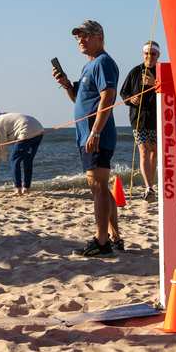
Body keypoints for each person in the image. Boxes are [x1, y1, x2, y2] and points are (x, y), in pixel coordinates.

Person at [52, 19, 121, 256]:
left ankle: (101, 242)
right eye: (78, 37)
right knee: (101, 188)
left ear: (100, 38)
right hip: (87, 134)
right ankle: (114, 237)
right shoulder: (89, 66)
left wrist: (95, 132)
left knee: (98, 187)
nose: (81, 40)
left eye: (86, 35)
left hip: (96, 135)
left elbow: (108, 98)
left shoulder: (103, 62)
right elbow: (81, 101)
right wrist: (66, 85)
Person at [118, 40, 161, 202]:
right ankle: (148, 188)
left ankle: (151, 186)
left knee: (154, 153)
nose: (150, 56)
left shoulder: (161, 71)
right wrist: (130, 99)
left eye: (153, 54)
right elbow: (123, 92)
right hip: (138, 118)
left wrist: (155, 83)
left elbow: (171, 90)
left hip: (157, 118)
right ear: (143, 54)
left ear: (158, 56)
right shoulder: (135, 71)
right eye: (146, 53)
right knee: (144, 150)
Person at [0, 105, 45, 196]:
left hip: (26, 131)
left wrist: (2, 157)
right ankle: (26, 189)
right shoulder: (2, 116)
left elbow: (1, 145)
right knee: (27, 161)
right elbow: (1, 137)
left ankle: (18, 191)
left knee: (13, 160)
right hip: (39, 129)